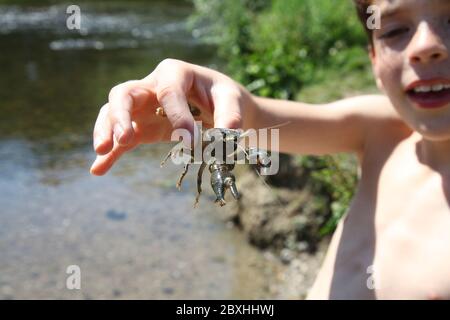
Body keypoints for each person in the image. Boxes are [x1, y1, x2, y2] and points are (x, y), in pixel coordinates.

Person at [90, 0, 450, 299]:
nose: (424, 46)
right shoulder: (384, 131)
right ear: (373, 59)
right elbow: (256, 118)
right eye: (394, 31)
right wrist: (209, 97)